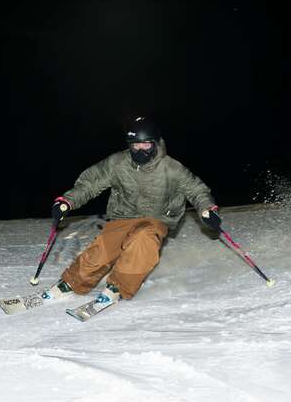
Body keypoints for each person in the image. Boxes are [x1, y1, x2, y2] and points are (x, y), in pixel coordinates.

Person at [42, 116, 221, 315]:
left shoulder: (172, 168)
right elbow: (90, 183)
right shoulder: (117, 163)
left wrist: (207, 210)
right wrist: (67, 201)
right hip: (123, 217)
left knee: (143, 241)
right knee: (102, 250)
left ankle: (118, 287)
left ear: (155, 143)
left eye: (146, 145)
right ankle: (71, 283)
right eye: (136, 146)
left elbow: (197, 190)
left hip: (157, 219)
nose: (141, 150)